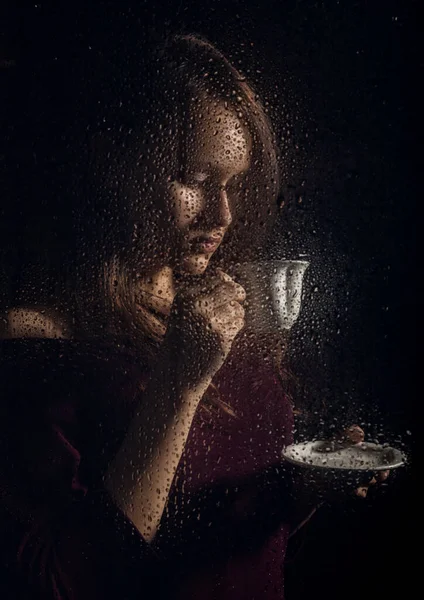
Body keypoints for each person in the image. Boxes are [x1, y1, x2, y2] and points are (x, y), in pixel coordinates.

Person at [0, 33, 383, 600]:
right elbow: (61, 583)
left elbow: (219, 541)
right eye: (196, 181)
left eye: (232, 184)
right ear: (116, 164)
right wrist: (179, 382)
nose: (222, 212)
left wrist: (299, 491)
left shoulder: (216, 309)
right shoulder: (39, 342)